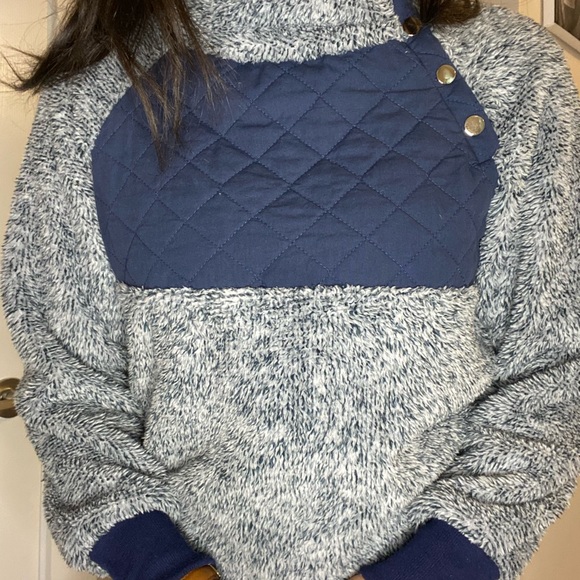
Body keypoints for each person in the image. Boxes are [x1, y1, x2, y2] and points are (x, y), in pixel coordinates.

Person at [2, 0, 579, 579]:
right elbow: (70, 388)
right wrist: (169, 569)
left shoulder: (514, 71)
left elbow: (553, 375)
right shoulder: (97, 86)